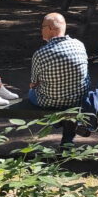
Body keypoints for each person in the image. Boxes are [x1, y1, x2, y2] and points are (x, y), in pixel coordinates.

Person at [29, 13, 90, 147]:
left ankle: (59, 122)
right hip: (78, 99)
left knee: (31, 93)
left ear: (50, 28)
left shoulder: (40, 53)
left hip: (50, 101)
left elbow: (33, 83)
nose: (41, 30)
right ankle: (67, 142)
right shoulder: (79, 45)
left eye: (42, 26)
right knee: (70, 105)